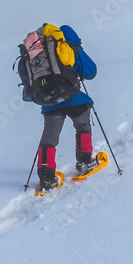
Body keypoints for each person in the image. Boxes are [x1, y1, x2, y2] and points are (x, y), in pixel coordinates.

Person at [32, 24, 98, 192]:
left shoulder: (43, 53)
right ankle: (84, 162)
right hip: (74, 99)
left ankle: (47, 177)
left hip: (49, 103)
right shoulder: (68, 48)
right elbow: (91, 71)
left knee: (49, 138)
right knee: (82, 126)